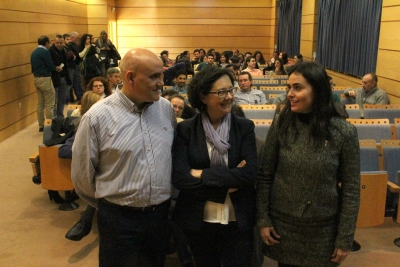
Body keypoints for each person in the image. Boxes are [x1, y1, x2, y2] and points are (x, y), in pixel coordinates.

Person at [71, 48, 176, 267]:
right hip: (118, 220)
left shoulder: (165, 109)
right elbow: (82, 177)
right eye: (154, 77)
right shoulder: (96, 118)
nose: (161, 83)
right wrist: (114, 207)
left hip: (159, 217)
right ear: (130, 77)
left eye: (162, 76)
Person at [257, 61, 360, 267]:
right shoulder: (281, 124)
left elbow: (351, 190)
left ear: (318, 90)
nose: (290, 94)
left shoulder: (344, 132)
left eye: (298, 88)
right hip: (283, 227)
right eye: (288, 88)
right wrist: (263, 219)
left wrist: (345, 237)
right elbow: (265, 175)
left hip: (323, 231)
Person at [172, 66, 258, 267]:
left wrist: (201, 174)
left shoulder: (244, 127)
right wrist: (228, 181)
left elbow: (249, 174)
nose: (229, 96)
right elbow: (180, 177)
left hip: (237, 219)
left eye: (230, 90)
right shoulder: (186, 129)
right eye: (221, 92)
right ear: (203, 97)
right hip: (198, 220)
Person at [59, 91, 102, 241]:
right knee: (100, 182)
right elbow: (63, 150)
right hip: (98, 172)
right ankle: (85, 221)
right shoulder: (84, 125)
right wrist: (86, 151)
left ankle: (85, 221)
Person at [30, 35, 57, 132]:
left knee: (40, 104)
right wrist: (55, 68)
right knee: (50, 103)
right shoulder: (45, 52)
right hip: (45, 79)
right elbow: (50, 66)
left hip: (36, 79)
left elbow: (32, 68)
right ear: (46, 43)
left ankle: (41, 125)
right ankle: (49, 125)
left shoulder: (34, 52)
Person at [48, 34, 71, 118]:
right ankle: (54, 118)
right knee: (54, 99)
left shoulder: (64, 50)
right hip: (54, 78)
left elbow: (66, 64)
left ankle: (60, 116)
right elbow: (48, 65)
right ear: (54, 42)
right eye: (57, 43)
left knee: (62, 99)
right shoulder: (50, 51)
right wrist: (54, 68)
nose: (59, 44)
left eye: (61, 43)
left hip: (63, 77)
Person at [70, 31, 84, 102]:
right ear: (72, 37)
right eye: (76, 38)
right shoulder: (70, 45)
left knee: (79, 79)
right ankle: (78, 95)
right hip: (74, 65)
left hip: (77, 64)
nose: (77, 39)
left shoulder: (76, 44)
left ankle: (81, 94)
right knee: (76, 80)